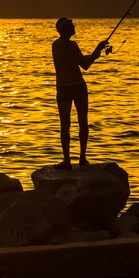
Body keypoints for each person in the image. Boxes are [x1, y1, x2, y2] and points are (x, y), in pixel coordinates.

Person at [52, 17, 108, 170]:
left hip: (62, 88)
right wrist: (97, 50)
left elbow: (78, 60)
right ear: (65, 29)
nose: (74, 26)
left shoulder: (55, 46)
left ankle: (66, 161)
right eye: (71, 25)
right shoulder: (72, 45)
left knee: (65, 125)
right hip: (78, 87)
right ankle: (82, 158)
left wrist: (95, 52)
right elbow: (85, 65)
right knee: (82, 122)